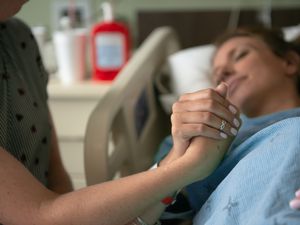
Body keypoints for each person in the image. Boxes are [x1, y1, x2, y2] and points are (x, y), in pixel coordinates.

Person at [0, 1, 240, 225]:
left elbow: (57, 181)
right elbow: (39, 215)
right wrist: (186, 166)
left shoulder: (19, 37)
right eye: (216, 69)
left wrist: (177, 163)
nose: (226, 71)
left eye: (241, 55)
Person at [156, 26, 300, 224]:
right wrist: (179, 158)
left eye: (240, 55)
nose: (222, 72)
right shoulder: (191, 136)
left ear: (289, 62)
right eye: (215, 74)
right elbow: (155, 215)